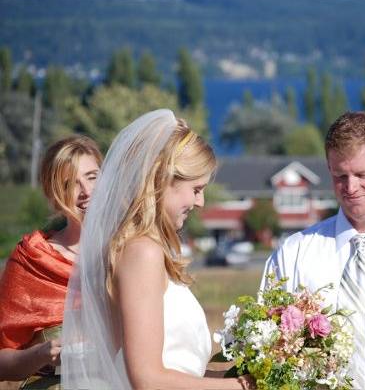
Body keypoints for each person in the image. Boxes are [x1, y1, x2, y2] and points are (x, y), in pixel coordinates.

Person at [61, 109, 251, 389]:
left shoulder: (144, 249)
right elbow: (148, 379)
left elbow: (181, 373)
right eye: (196, 189)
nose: (200, 202)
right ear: (163, 182)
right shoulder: (141, 253)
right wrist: (244, 388)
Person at [261, 111, 365, 390]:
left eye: (362, 174)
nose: (350, 187)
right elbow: (266, 347)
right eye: (340, 175)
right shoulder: (294, 255)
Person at [0, 135, 102, 386]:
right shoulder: (33, 260)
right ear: (54, 196)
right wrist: (39, 354)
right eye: (70, 185)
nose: (86, 192)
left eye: (92, 177)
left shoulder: (135, 251)